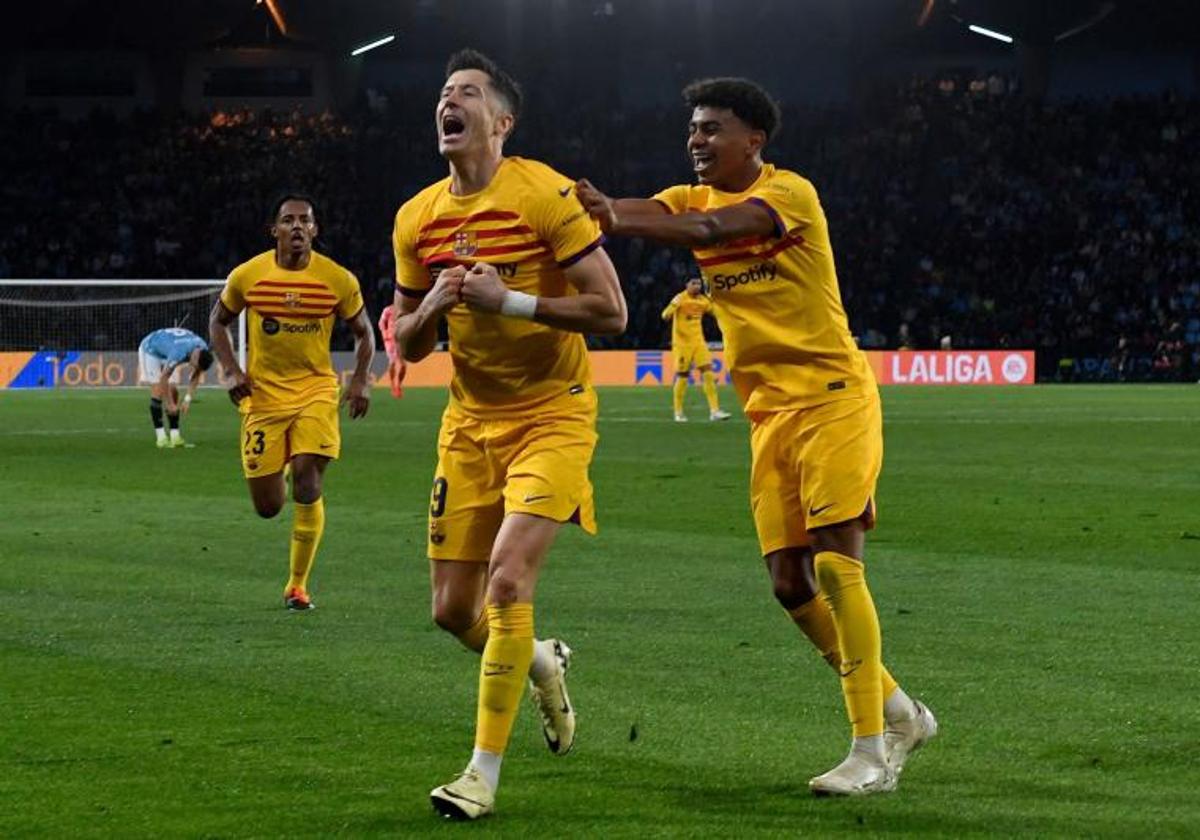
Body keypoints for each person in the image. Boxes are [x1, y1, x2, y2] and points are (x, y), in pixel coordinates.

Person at [576, 77, 936, 797]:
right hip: (768, 415)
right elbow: (661, 212)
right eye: (693, 130)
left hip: (833, 398)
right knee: (788, 583)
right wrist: (579, 205)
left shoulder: (789, 194)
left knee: (837, 567)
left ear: (754, 140)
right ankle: (901, 712)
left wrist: (611, 217)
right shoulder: (687, 199)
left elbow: (708, 233)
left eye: (712, 129)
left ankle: (870, 748)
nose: (697, 141)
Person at [391, 49, 626, 820]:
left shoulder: (545, 194)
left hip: (553, 413)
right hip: (468, 424)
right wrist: (431, 310)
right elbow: (415, 345)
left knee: (506, 580)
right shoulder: (417, 218)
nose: (447, 103)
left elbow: (612, 312)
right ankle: (538, 660)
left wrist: (510, 301)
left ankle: (480, 776)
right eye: (442, 93)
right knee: (453, 612)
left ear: (502, 119)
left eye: (465, 93)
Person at [208, 194, 374, 611]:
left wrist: (359, 382)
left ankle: (297, 585)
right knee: (267, 507)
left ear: (315, 230)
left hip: (316, 391)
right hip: (263, 395)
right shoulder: (248, 276)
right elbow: (218, 321)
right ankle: (278, 464)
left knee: (307, 478)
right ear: (275, 230)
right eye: (288, 220)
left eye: (305, 221)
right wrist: (230, 370)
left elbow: (365, 334)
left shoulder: (337, 279)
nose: (297, 227)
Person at [660, 276, 731, 422]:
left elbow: (717, 313)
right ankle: (678, 412)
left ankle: (715, 411)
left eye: (698, 283)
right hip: (682, 344)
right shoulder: (680, 298)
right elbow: (665, 315)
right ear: (687, 285)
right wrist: (671, 309)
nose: (697, 286)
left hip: (699, 343)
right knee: (683, 376)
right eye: (694, 283)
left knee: (708, 373)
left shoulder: (703, 301)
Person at [137, 326, 214, 448]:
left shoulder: (202, 349)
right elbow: (164, 378)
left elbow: (196, 374)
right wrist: (169, 404)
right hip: (150, 349)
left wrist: (187, 399)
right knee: (158, 390)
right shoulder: (179, 352)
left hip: (166, 349)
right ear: (195, 356)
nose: (193, 367)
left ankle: (175, 437)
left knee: (173, 390)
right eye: (194, 365)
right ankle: (161, 438)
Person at [377, 304, 407, 397]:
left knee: (403, 365)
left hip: (401, 340)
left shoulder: (404, 310)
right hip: (390, 340)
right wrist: (385, 334)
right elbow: (381, 323)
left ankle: (399, 384)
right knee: (392, 362)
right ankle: (393, 385)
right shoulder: (388, 310)